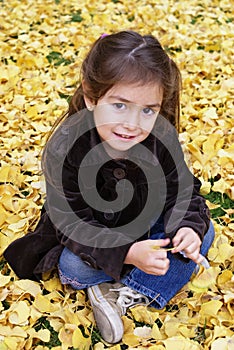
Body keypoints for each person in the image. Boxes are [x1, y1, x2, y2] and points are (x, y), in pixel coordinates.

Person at [4, 30, 215, 344]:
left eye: (148, 110)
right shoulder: (67, 148)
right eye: (119, 105)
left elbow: (182, 191)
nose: (133, 123)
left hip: (145, 226)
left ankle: (120, 294)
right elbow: (72, 226)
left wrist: (187, 229)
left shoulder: (159, 137)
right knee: (73, 266)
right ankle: (130, 280)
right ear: (92, 96)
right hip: (89, 239)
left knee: (203, 232)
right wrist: (127, 253)